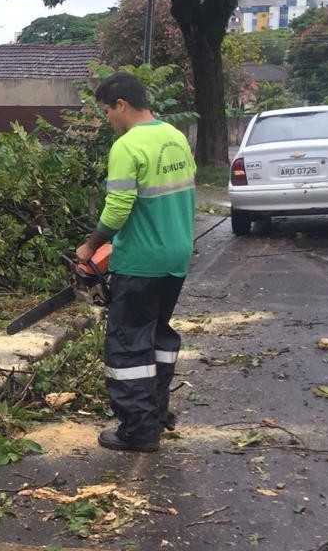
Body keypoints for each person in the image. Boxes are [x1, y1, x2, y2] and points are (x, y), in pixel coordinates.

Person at [76, 72, 196, 453]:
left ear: (121, 105)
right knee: (157, 336)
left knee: (128, 347)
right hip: (176, 256)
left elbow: (118, 208)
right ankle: (157, 414)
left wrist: (90, 246)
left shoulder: (128, 146)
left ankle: (138, 430)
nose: (107, 119)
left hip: (142, 260)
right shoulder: (175, 137)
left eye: (107, 111)